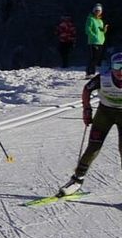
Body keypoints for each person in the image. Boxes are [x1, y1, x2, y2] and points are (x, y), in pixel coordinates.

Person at [52, 47, 122, 197]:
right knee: (93, 147)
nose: (120, 71)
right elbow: (86, 89)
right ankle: (77, 179)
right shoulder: (104, 78)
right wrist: (87, 109)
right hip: (105, 113)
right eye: (117, 66)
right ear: (112, 66)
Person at [88, 5, 109, 76]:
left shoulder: (100, 20)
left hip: (101, 41)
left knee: (97, 58)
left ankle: (92, 72)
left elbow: (101, 31)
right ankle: (90, 72)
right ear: (94, 11)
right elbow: (88, 30)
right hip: (93, 41)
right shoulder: (90, 19)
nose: (98, 12)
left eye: (99, 11)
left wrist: (104, 30)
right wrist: (94, 37)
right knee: (94, 57)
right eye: (96, 11)